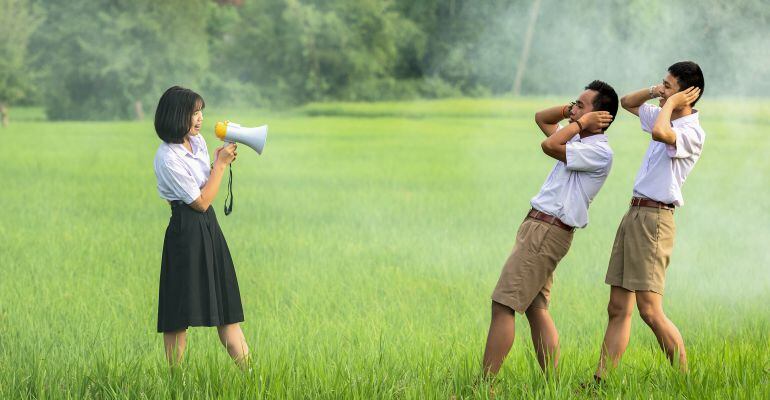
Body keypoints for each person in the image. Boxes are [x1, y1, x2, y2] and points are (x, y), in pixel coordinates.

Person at [483, 80, 618, 377]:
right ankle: (552, 384)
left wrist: (580, 122)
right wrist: (574, 112)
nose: (573, 111)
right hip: (540, 228)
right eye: (574, 104)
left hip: (547, 231)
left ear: (600, 117)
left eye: (581, 105)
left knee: (503, 304)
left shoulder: (598, 151)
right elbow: (542, 118)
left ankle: (482, 386)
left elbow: (548, 145)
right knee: (535, 308)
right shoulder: (578, 140)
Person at [592, 61, 705, 382]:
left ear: (686, 96)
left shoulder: (691, 132)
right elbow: (627, 102)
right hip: (635, 213)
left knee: (650, 310)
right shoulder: (664, 113)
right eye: (662, 84)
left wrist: (670, 102)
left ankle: (685, 381)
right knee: (617, 307)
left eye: (668, 85)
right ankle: (601, 381)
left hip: (656, 219)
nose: (661, 90)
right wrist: (660, 92)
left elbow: (660, 133)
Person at [153, 86, 249, 367]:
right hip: (185, 230)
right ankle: (176, 384)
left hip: (209, 228)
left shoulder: (198, 144)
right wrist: (219, 166)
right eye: (193, 113)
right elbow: (202, 201)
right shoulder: (167, 158)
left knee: (227, 308)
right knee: (177, 314)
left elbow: (207, 187)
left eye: (200, 112)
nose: (200, 119)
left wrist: (218, 163)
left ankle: (253, 378)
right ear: (175, 116)